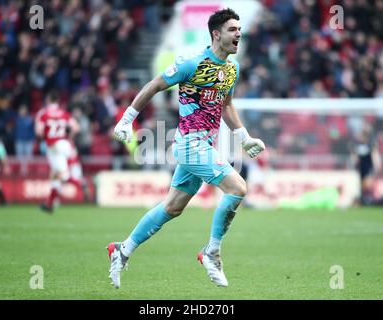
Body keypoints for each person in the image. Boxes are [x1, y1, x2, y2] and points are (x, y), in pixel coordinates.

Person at [107, 8, 266, 288]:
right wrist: (127, 119)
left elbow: (226, 104)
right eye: (232, 29)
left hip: (206, 144)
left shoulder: (232, 68)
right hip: (189, 145)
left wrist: (244, 138)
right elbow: (154, 85)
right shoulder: (190, 63)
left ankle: (123, 249)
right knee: (238, 188)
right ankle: (211, 252)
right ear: (216, 34)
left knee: (173, 207)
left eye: (239, 29)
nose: (239, 34)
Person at [35, 91, 80, 213]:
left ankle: (81, 183)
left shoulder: (43, 114)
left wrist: (44, 137)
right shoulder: (64, 114)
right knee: (55, 174)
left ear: (48, 100)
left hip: (53, 146)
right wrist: (68, 135)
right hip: (65, 144)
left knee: (62, 175)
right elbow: (76, 127)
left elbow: (39, 132)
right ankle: (49, 204)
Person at [351, 125, 382, 206]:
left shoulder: (371, 144)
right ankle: (362, 200)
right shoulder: (357, 145)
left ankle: (369, 199)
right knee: (360, 185)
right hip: (360, 168)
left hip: (368, 167)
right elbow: (354, 156)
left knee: (367, 184)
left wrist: (377, 165)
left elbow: (375, 155)